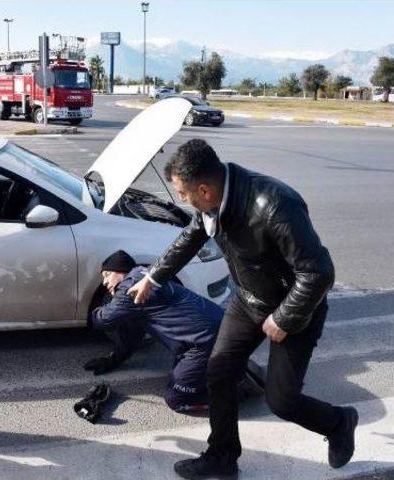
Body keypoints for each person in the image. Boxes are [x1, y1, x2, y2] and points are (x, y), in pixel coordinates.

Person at [127, 139, 358, 478]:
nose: (181, 199)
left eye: (183, 193)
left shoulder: (274, 206)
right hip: (249, 300)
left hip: (296, 307)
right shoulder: (213, 205)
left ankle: (339, 422)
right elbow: (190, 237)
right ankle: (222, 456)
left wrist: (285, 317)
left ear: (204, 189)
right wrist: (152, 278)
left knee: (282, 402)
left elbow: (318, 272)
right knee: (218, 371)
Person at [87, 250, 264, 412]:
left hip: (204, 343)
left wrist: (92, 311)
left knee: (177, 399)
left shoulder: (131, 288)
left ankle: (238, 389)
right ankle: (230, 367)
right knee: (183, 372)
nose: (104, 282)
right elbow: (134, 333)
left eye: (107, 275)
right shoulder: (148, 278)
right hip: (218, 331)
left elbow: (103, 319)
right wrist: (113, 360)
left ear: (121, 271)